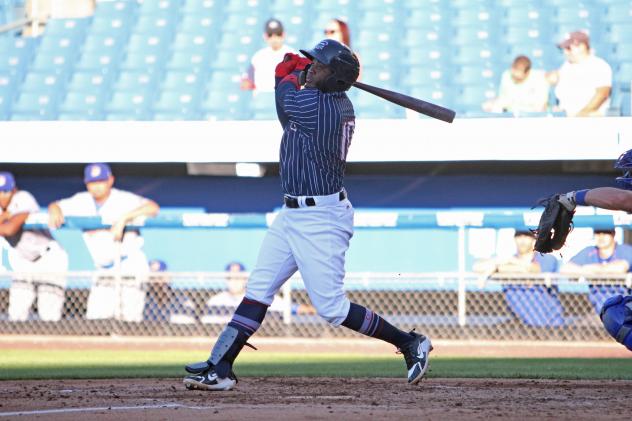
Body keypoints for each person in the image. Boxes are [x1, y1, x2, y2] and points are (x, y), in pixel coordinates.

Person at [183, 39, 432, 392]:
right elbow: (286, 110)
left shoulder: (325, 108)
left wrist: (285, 76)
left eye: (319, 64)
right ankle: (219, 367)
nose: (311, 65)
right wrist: (293, 75)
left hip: (322, 218)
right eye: (311, 62)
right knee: (258, 290)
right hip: (292, 214)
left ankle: (409, 342)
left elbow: (286, 100)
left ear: (335, 77)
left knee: (331, 307)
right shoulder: (321, 101)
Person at [48, 163, 160, 322]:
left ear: (110, 180)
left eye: (101, 181)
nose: (97, 186)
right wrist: (55, 209)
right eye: (92, 182)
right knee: (95, 321)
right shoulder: (81, 201)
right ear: (86, 183)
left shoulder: (123, 198)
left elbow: (153, 207)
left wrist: (124, 218)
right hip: (103, 268)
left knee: (130, 321)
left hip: (129, 263)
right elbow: (55, 205)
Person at [0, 171, 69, 322]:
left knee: (49, 314)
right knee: (17, 312)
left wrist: (5, 219)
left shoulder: (23, 197)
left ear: (14, 190)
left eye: (5, 191)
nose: (2, 196)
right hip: (24, 259)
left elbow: (9, 229)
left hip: (49, 257)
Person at [201, 261, 316, 324]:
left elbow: (293, 309)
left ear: (245, 279)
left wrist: (314, 310)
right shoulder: (216, 300)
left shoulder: (257, 296)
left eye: (238, 278)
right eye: (231, 278)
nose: (234, 282)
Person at [546, 30, 612, 117]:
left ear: (582, 47)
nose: (565, 52)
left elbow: (602, 94)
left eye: (569, 48)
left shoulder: (599, 66)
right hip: (567, 119)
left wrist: (580, 115)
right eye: (564, 49)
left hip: (591, 120)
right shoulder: (566, 66)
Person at [240, 18, 295, 93]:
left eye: (278, 34)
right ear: (265, 36)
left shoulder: (292, 55)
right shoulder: (258, 56)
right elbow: (246, 82)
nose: (274, 38)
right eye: (270, 35)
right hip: (261, 98)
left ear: (284, 35)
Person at [482, 55, 549, 114]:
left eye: (518, 78)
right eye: (513, 77)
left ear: (527, 72)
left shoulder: (539, 78)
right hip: (510, 115)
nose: (515, 79)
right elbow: (503, 99)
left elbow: (541, 105)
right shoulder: (506, 75)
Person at [473, 229, 558, 274]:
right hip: (515, 307)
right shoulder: (508, 259)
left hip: (544, 307)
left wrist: (500, 268)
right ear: (514, 239)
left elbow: (535, 270)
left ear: (534, 239)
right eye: (519, 236)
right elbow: (477, 267)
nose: (522, 240)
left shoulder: (546, 258)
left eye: (526, 236)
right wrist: (497, 266)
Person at [559, 228, 632, 275]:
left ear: (613, 234)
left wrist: (590, 269)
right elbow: (565, 269)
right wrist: (605, 270)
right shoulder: (590, 250)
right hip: (596, 298)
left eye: (605, 233)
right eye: (598, 233)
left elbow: (620, 269)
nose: (601, 237)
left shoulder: (625, 250)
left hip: (621, 297)